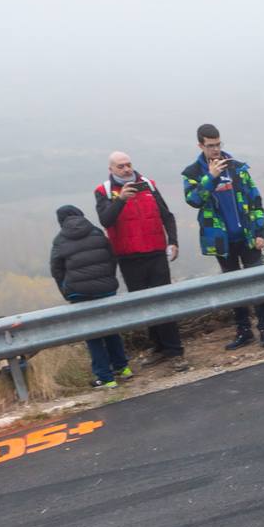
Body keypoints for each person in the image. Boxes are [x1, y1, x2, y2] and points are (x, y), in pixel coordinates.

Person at [181, 124, 264, 350]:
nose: (215, 149)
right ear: (200, 145)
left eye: (218, 144)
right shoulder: (193, 173)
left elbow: (255, 200)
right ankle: (243, 331)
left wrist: (260, 232)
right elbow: (193, 201)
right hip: (222, 242)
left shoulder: (237, 168)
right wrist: (210, 178)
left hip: (248, 237)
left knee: (258, 283)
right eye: (210, 146)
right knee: (233, 287)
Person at [94, 150, 184, 367]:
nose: (126, 169)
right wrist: (121, 200)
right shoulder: (104, 191)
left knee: (163, 301)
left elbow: (167, 216)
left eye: (128, 164)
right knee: (144, 305)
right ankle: (159, 347)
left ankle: (175, 351)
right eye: (120, 166)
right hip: (128, 257)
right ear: (111, 170)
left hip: (155, 252)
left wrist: (173, 241)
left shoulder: (148, 185)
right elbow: (106, 220)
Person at [49, 205, 128, 389]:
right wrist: (108, 280)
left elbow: (56, 270)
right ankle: (123, 368)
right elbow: (111, 258)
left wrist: (66, 291)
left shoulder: (59, 240)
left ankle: (106, 378)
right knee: (111, 329)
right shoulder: (96, 232)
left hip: (80, 293)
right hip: (106, 289)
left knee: (92, 335)